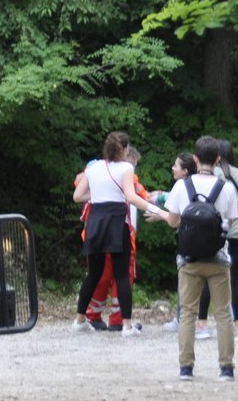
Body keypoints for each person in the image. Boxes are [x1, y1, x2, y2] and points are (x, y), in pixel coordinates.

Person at [71, 131, 168, 337]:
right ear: (123, 149)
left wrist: (98, 194)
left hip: (95, 223)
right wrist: (160, 212)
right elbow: (131, 197)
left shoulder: (94, 168)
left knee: (93, 274)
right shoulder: (126, 168)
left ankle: (80, 320)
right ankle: (126, 326)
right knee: (122, 275)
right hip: (116, 223)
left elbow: (77, 196)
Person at [162, 135, 238, 380]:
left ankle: (186, 368)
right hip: (218, 260)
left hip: (189, 260)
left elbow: (173, 221)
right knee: (222, 314)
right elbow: (230, 221)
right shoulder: (226, 187)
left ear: (195, 159)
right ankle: (226, 368)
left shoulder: (181, 186)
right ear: (218, 160)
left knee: (187, 313)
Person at [77, 146, 151, 331]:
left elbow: (78, 184)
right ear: (125, 159)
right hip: (121, 234)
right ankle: (119, 321)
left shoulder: (94, 171)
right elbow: (146, 197)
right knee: (123, 277)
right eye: (133, 165)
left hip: (95, 235)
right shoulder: (129, 178)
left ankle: (90, 316)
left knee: (98, 276)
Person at [194, 138, 238, 342]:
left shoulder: (210, 175)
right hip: (237, 231)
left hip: (213, 232)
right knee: (234, 280)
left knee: (207, 277)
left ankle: (201, 324)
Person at [159, 151, 197, 334]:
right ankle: (229, 324)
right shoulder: (205, 183)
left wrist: (159, 214)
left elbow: (175, 219)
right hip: (212, 240)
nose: (173, 168)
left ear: (185, 171)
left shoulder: (181, 185)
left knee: (186, 281)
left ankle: (181, 319)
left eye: (176, 165)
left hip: (188, 240)